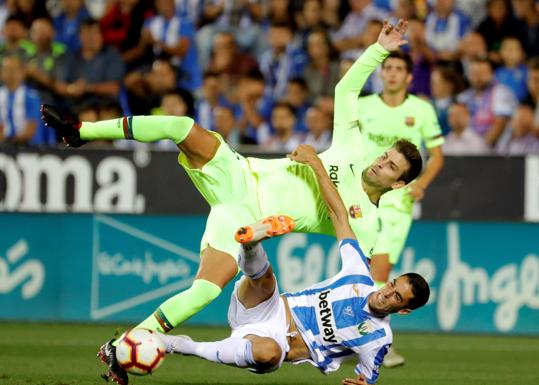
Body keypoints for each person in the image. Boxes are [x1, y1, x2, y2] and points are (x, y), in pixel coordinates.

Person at [41, 20, 421, 385]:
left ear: (399, 183)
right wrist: (377, 49)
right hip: (238, 172)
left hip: (245, 216)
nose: (380, 161)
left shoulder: (368, 223)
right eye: (385, 155)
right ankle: (80, 132)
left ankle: (127, 346)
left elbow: (360, 282)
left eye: (391, 166)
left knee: (206, 289)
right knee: (181, 126)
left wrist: (366, 346)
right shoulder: (354, 148)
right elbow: (344, 91)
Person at [158, 142, 430, 384]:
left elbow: (367, 378)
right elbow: (339, 214)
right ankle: (250, 242)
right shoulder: (358, 274)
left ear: (403, 311)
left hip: (271, 344)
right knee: (266, 282)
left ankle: (179, 345)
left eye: (397, 297)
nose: (386, 293)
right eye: (393, 284)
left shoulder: (378, 339)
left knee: (269, 354)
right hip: (265, 306)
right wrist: (316, 163)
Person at [356, 49, 444, 367]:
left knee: (378, 271)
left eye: (398, 69)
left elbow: (438, 154)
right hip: (363, 197)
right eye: (387, 67)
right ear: (381, 73)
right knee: (360, 269)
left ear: (408, 77)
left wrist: (420, 184)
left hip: (397, 204)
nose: (391, 73)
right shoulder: (362, 106)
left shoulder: (421, 109)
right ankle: (365, 336)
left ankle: (377, 340)